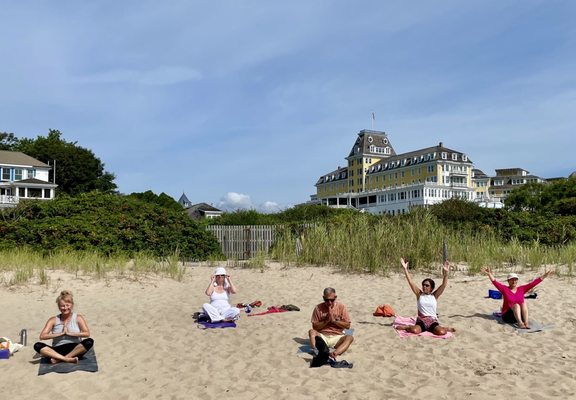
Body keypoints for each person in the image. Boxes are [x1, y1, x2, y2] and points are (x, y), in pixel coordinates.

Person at [395, 258, 455, 335]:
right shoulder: (419, 294)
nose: (424, 287)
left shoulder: (434, 295)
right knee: (414, 331)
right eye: (423, 285)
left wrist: (446, 273)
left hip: (432, 320)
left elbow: (444, 285)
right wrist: (405, 269)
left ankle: (443, 328)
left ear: (431, 288)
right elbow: (411, 282)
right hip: (421, 320)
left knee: (441, 332)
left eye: (427, 285)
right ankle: (406, 327)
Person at [481, 266, 553, 329]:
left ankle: (526, 323)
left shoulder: (522, 289)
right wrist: (489, 274)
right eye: (512, 279)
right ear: (508, 281)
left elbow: (534, 283)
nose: (514, 281)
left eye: (515, 279)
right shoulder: (505, 289)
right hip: (507, 317)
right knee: (516, 305)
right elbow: (495, 282)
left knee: (523, 304)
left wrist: (545, 275)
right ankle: (520, 324)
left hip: (519, 315)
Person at [33, 290, 94, 364]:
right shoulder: (53, 320)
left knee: (89, 342)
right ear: (59, 307)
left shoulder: (78, 318)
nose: (65, 308)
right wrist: (60, 334)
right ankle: (67, 359)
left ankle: (60, 359)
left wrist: (69, 333)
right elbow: (42, 336)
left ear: (72, 305)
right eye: (62, 306)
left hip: (75, 349)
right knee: (37, 345)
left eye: (67, 305)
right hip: (57, 350)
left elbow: (87, 334)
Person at [309, 287, 353, 360]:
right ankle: (316, 351)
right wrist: (326, 321)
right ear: (323, 298)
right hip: (323, 336)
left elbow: (348, 326)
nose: (329, 303)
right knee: (311, 332)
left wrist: (334, 321)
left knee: (350, 337)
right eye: (326, 300)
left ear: (335, 297)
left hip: (337, 336)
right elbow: (315, 327)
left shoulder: (341, 307)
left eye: (332, 300)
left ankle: (335, 353)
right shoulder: (318, 308)